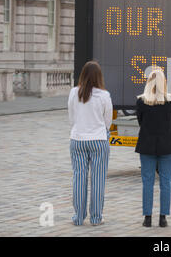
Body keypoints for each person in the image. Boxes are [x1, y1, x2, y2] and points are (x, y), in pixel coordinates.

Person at [68, 60, 113, 226]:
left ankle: (78, 217)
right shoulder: (104, 95)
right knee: (98, 179)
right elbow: (108, 120)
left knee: (79, 178)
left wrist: (79, 128)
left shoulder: (74, 93)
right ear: (99, 77)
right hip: (98, 140)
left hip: (77, 140)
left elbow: (71, 117)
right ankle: (96, 218)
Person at [135, 69, 171, 228]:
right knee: (165, 182)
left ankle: (147, 218)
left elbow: (141, 121)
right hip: (167, 145)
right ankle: (163, 218)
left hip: (147, 146)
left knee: (147, 182)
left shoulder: (141, 101)